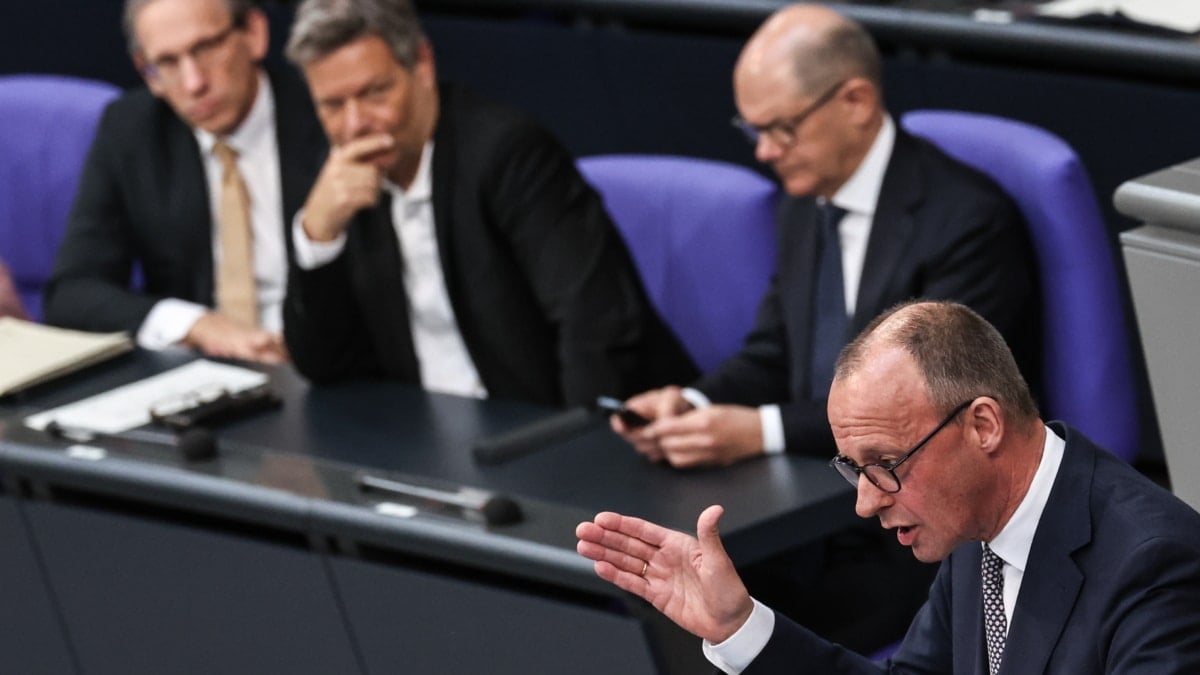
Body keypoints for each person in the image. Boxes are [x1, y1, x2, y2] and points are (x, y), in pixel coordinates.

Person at [578, 300, 1200, 674]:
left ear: (982, 424)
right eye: (852, 467)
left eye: (884, 463)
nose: (866, 500)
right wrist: (738, 627)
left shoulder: (1155, 563)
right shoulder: (975, 524)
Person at [611, 4, 1039, 468]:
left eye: (781, 129)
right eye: (753, 130)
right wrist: (692, 406)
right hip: (821, 480)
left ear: (856, 101)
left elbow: (923, 408)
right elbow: (775, 354)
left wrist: (762, 431)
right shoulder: (804, 200)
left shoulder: (967, 221)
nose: (765, 151)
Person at [280, 0, 696, 406]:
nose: (354, 124)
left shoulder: (507, 154)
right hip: (420, 438)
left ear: (422, 64)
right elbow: (326, 367)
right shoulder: (340, 178)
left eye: (374, 92)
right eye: (332, 105)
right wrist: (318, 237)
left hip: (538, 433)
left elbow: (596, 331)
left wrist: (575, 452)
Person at [43, 0, 327, 364]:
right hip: (206, 373)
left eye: (206, 49)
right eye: (168, 63)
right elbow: (71, 294)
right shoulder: (132, 130)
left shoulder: (328, 110)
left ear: (254, 33)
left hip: (326, 368)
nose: (194, 83)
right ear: (147, 73)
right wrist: (196, 325)